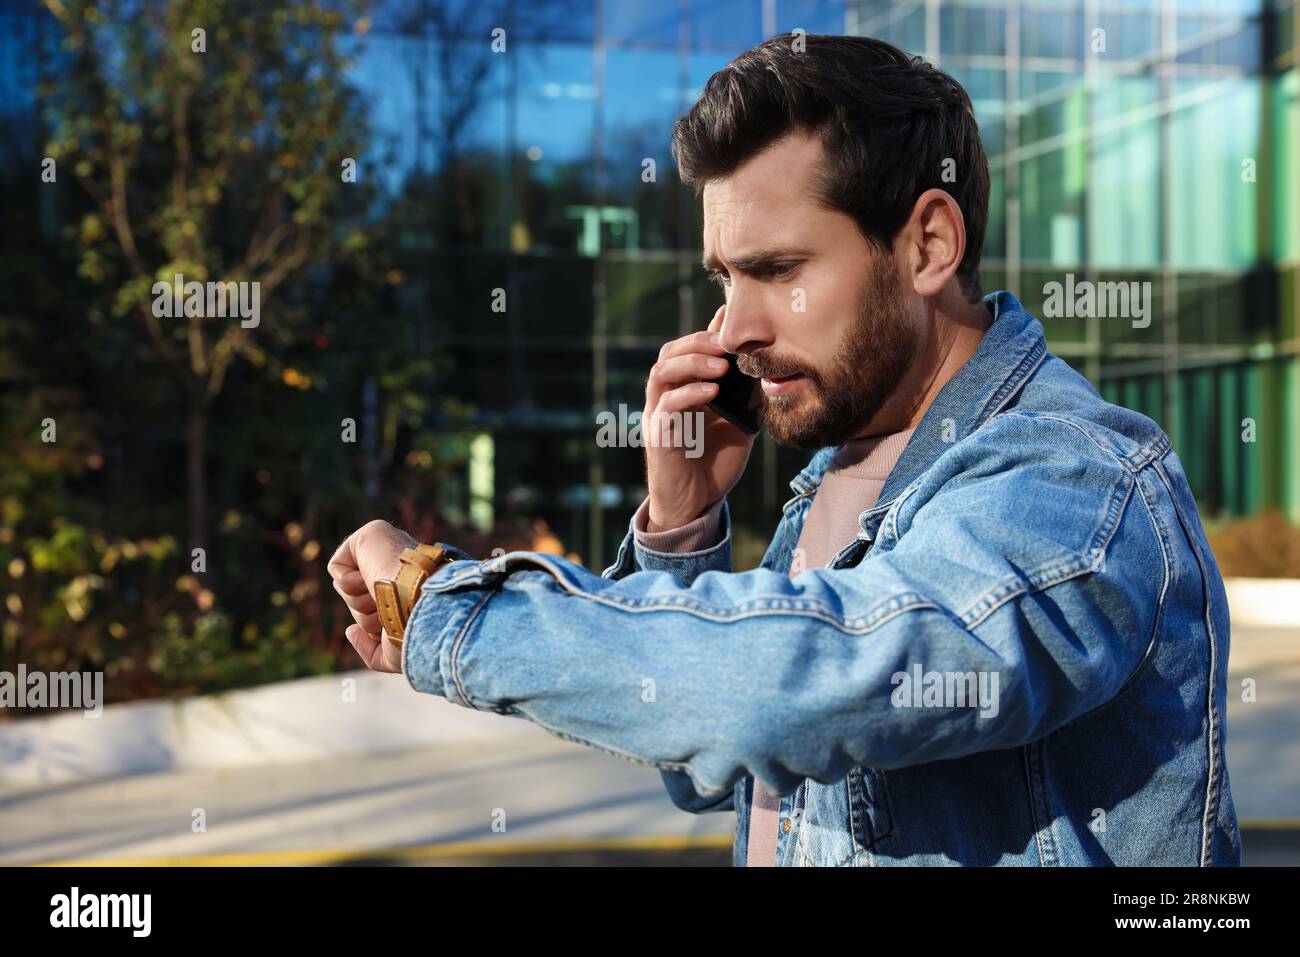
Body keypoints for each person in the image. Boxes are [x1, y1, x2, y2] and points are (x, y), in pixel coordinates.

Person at [329, 34, 1240, 866]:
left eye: (778, 271)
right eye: (725, 277)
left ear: (928, 243)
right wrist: (682, 523)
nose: (734, 327)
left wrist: (438, 602)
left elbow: (800, 688)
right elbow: (707, 762)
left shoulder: (1075, 476)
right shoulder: (837, 476)